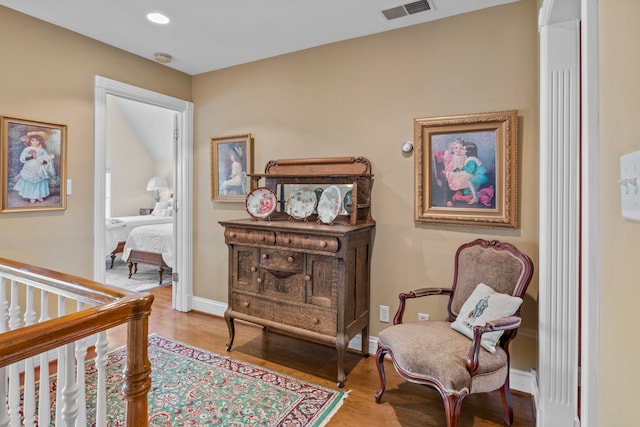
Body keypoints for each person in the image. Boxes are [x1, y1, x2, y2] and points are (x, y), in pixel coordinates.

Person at [13, 130, 55, 203]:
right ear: (30, 141)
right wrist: (31, 157)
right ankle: (32, 196)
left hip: (39, 168)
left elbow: (47, 160)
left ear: (40, 141)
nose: (35, 142)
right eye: (33, 140)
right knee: (30, 181)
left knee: (39, 181)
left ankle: (39, 195)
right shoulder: (27, 149)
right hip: (29, 167)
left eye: (37, 140)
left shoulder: (42, 150)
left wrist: (44, 161)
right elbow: (22, 159)